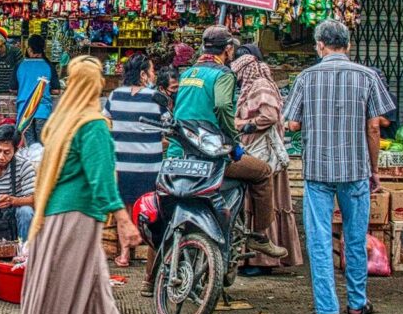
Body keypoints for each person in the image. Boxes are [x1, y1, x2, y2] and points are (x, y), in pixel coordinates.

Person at [11, 56, 153, 314]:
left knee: (91, 278)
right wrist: (123, 218)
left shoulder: (60, 122)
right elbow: (101, 178)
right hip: (76, 215)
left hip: (51, 214)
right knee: (68, 280)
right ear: (94, 85)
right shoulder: (93, 125)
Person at [284, 19, 395, 314]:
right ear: (348, 45)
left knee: (319, 240)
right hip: (356, 170)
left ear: (320, 45)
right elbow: (375, 126)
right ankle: (358, 304)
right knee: (355, 238)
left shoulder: (307, 77)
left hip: (318, 170)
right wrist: (374, 169)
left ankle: (328, 309)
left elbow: (291, 123)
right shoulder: (367, 76)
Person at [170, 26, 288, 260]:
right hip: (212, 154)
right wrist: (233, 141)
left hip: (181, 152)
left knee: (168, 208)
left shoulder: (188, 74)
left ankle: (149, 279)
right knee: (263, 172)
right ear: (228, 49)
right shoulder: (223, 74)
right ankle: (260, 236)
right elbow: (224, 106)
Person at [232, 51, 303, 272]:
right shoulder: (254, 86)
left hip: (264, 154)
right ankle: (252, 259)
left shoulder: (260, 85)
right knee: (257, 202)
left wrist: (243, 124)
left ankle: (263, 261)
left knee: (265, 202)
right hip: (256, 150)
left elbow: (269, 116)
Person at [103, 53, 169, 274]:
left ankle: (123, 254)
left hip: (122, 165)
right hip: (149, 166)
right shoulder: (156, 98)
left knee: (126, 208)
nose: (153, 75)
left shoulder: (115, 95)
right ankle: (151, 254)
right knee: (151, 209)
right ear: (143, 74)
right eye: (151, 71)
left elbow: (107, 121)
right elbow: (169, 128)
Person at [15, 34, 60, 146]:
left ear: (29, 49)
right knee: (43, 148)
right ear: (43, 49)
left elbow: (12, 88)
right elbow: (56, 91)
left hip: (24, 112)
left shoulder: (20, 65)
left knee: (29, 148)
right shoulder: (49, 66)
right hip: (43, 112)